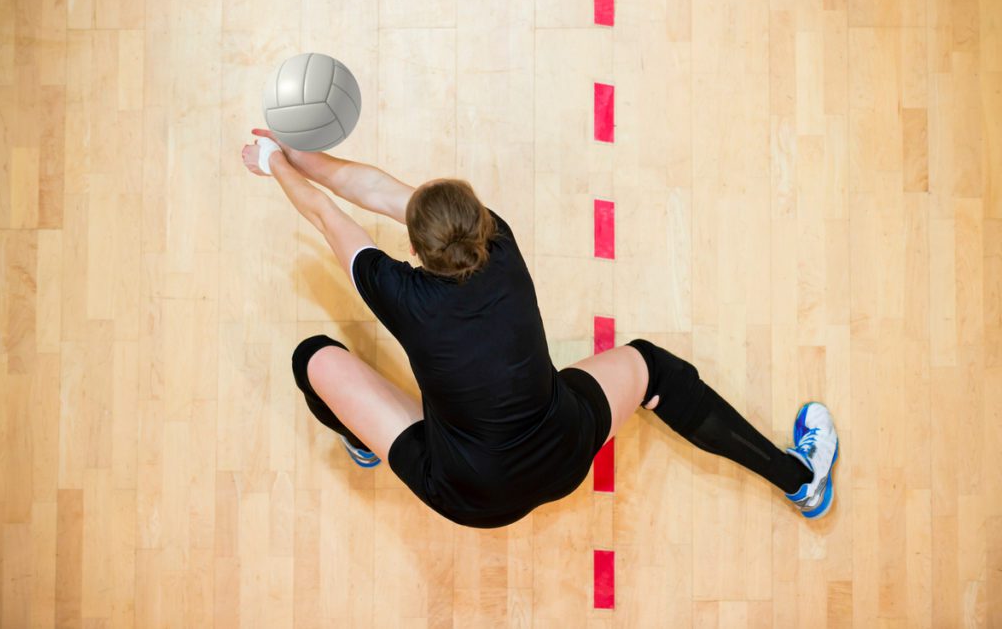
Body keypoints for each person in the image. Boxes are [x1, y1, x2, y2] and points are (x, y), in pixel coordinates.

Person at [240, 130, 840, 528]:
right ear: (477, 220)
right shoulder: (498, 240)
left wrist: (275, 162)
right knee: (653, 367)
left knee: (310, 358)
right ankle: (801, 482)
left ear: (416, 251)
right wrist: (299, 156)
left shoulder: (400, 294)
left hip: (470, 494)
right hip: (563, 452)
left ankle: (361, 439)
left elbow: (329, 210)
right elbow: (376, 190)